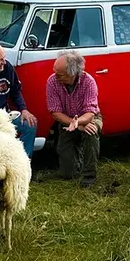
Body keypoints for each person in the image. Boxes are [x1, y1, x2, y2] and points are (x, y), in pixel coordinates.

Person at [45, 50, 102, 188]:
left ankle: (89, 175)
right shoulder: (52, 81)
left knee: (91, 131)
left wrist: (79, 123)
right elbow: (55, 113)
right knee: (67, 173)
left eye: (60, 74)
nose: (56, 76)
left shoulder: (89, 82)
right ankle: (76, 162)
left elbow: (90, 112)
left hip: (89, 118)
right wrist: (74, 123)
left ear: (72, 73)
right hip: (66, 121)